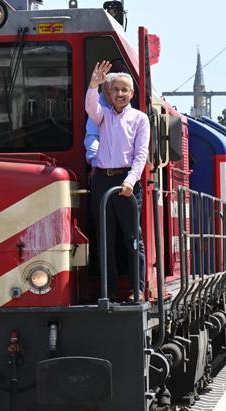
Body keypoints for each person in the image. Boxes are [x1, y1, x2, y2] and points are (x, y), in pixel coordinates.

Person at [85, 60, 150, 301]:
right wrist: (94, 85)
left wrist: (131, 181)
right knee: (105, 238)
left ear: (132, 93)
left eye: (124, 90)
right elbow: (91, 108)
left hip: (126, 180)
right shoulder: (103, 117)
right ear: (109, 94)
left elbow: (141, 154)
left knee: (133, 238)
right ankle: (108, 289)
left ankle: (137, 289)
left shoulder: (140, 119)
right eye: (115, 90)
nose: (120, 94)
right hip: (103, 180)